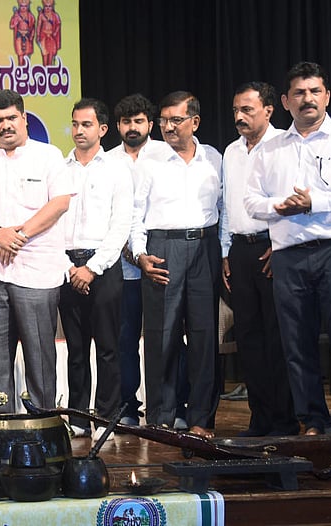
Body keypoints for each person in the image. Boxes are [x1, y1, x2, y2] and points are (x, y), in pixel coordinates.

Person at [244, 62, 331, 435]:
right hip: (289, 255)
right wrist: (280, 206)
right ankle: (314, 421)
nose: (308, 99)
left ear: (327, 96)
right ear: (286, 101)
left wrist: (315, 203)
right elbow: (251, 202)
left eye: (315, 91)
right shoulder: (270, 149)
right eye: (300, 93)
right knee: (297, 343)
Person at [0, 89, 72, 413]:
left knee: (39, 361)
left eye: (12, 118)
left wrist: (18, 235)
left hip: (37, 276)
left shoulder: (49, 155)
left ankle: (43, 431)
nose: (5, 125)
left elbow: (60, 203)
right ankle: (2, 436)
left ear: (24, 119)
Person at [130, 91, 223, 438]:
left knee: (203, 337)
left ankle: (200, 418)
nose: (168, 127)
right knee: (161, 336)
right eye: (164, 120)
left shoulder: (214, 158)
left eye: (176, 120)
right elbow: (134, 215)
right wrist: (141, 255)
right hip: (162, 249)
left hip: (205, 246)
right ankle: (161, 417)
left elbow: (224, 209)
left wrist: (224, 252)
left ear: (194, 122)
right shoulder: (149, 161)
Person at [219, 82, 298, 437]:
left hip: (273, 247)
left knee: (277, 337)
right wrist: (224, 251)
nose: (239, 116)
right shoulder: (231, 152)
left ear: (269, 109)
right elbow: (228, 205)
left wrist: (281, 243)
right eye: (236, 109)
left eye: (247, 109)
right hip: (239, 248)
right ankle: (260, 418)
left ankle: (284, 420)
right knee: (249, 338)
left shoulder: (286, 146)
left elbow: (295, 198)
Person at [59, 98, 133, 440]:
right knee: (76, 349)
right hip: (66, 267)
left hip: (103, 267)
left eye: (86, 124)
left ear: (103, 129)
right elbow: (52, 225)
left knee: (107, 347)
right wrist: (70, 268)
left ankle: (106, 418)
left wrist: (91, 268)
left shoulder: (117, 169)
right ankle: (77, 418)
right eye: (74, 124)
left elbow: (121, 226)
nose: (78, 130)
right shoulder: (61, 169)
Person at [107, 94, 175, 427]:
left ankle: (171, 407)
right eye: (125, 122)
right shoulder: (107, 162)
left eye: (138, 121)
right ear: (117, 126)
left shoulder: (168, 154)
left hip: (162, 261)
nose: (132, 127)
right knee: (125, 340)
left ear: (150, 123)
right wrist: (130, 251)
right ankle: (128, 407)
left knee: (168, 336)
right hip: (122, 267)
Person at [9, 0, 35, 65]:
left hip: (27, 36)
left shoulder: (30, 16)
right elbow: (11, 26)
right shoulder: (16, 15)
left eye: (25, 6)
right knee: (20, 55)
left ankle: (26, 71)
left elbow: (33, 27)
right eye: (21, 6)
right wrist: (16, 19)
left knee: (26, 56)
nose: (23, 8)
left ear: (28, 6)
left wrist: (31, 37)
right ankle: (20, 69)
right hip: (19, 36)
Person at [36, 0, 61, 66]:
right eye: (46, 6)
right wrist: (38, 35)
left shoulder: (55, 15)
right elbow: (38, 26)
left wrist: (55, 32)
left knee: (51, 55)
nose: (48, 8)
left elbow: (58, 24)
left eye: (49, 6)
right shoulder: (41, 15)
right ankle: (45, 70)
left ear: (52, 7)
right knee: (44, 55)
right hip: (43, 37)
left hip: (51, 37)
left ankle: (49, 70)